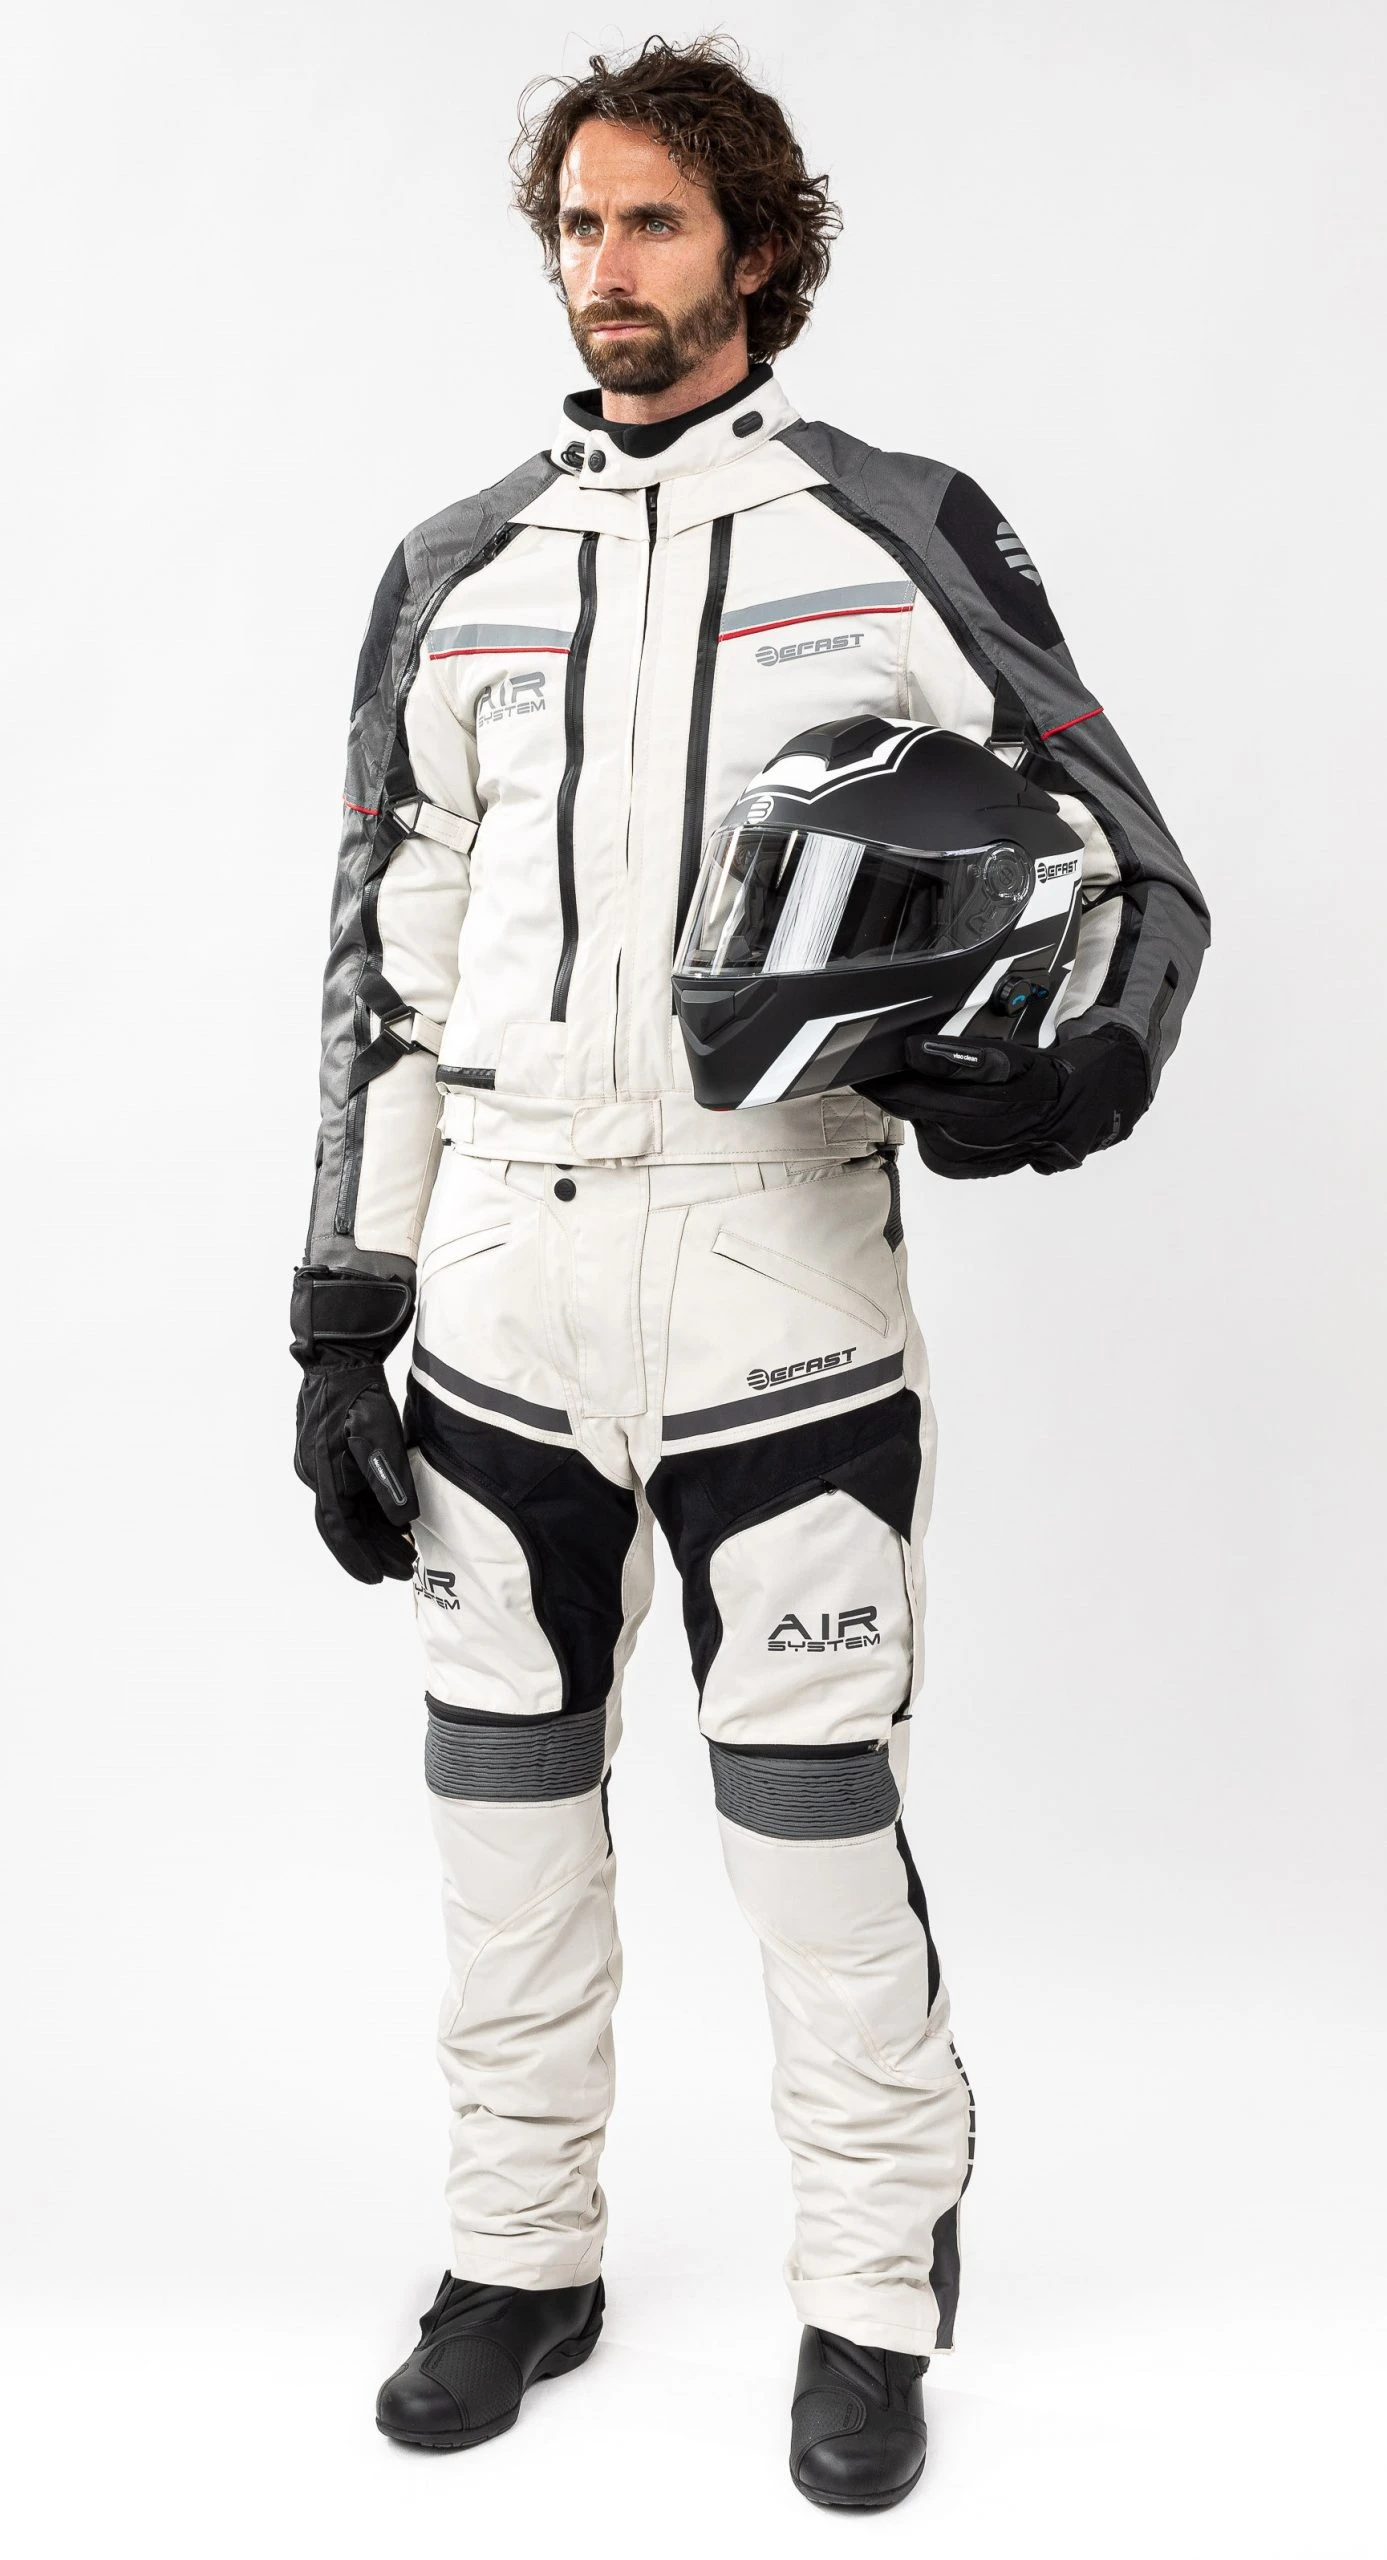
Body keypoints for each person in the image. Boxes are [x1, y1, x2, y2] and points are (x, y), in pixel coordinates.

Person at [291, 36, 1207, 2512]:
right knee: (500, 1822)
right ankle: (517, 2257)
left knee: (807, 1824)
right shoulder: (458, 567)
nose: (607, 268)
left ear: (759, 248)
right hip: (501, 1281)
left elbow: (1133, 867)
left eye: (655, 223)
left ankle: (873, 2291)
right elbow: (381, 971)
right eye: (578, 225)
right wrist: (341, 1311)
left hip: (779, 1273)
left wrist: (1078, 1071)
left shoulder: (895, 526)